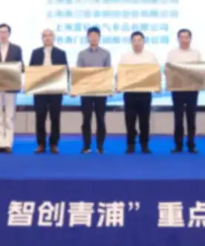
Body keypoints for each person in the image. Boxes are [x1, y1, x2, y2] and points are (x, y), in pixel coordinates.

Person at [119, 31, 159, 154]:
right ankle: (130, 144)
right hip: (130, 93)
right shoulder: (125, 57)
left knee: (144, 120)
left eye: (139, 40)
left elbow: (155, 73)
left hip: (145, 93)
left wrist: (157, 86)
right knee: (129, 120)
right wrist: (119, 85)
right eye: (134, 41)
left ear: (143, 41)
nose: (137, 43)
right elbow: (121, 74)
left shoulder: (150, 56)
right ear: (131, 42)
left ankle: (144, 144)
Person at [29, 29, 68, 154]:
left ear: (54, 38)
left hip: (55, 90)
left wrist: (65, 86)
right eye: (45, 36)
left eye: (50, 35)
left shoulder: (61, 53)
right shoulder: (35, 53)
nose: (47, 38)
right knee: (40, 116)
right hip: (39, 90)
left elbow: (65, 71)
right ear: (42, 38)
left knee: (55, 117)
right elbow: (31, 71)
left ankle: (54, 144)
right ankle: (41, 144)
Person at [0, 23, 23, 154]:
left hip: (11, 86)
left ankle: (8, 143)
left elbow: (21, 67)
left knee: (10, 116)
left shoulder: (16, 49)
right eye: (1, 32)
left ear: (9, 33)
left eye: (5, 32)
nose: (3, 34)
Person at [76, 26, 112, 154]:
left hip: (101, 92)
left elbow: (108, 72)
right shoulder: (82, 54)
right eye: (91, 36)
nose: (94, 38)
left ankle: (100, 146)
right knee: (86, 119)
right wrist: (76, 88)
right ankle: (86, 146)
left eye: (96, 36)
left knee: (100, 119)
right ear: (88, 38)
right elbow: (79, 73)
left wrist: (109, 88)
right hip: (86, 92)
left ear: (99, 37)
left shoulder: (106, 53)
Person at [166, 28, 202, 154]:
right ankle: (178, 145)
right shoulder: (172, 54)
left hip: (192, 90)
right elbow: (167, 70)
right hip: (177, 90)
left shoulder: (196, 53)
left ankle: (191, 144)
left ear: (190, 39)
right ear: (178, 39)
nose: (184, 40)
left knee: (191, 117)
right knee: (178, 118)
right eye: (182, 37)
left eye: (186, 37)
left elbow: (200, 71)